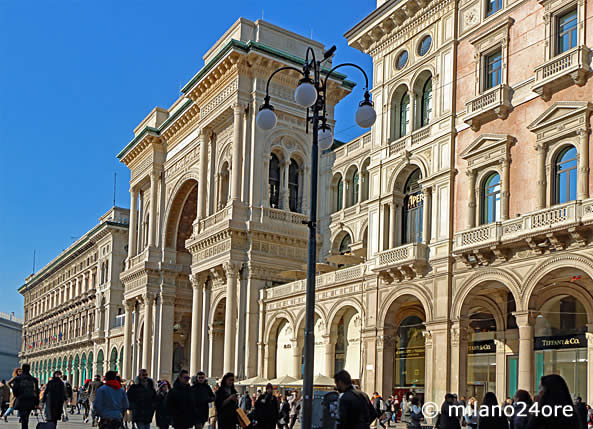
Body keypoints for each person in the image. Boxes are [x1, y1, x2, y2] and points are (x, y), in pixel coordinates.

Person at [9, 364, 39, 429]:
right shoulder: (33, 379)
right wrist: (37, 402)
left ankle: (24, 427)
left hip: (21, 399)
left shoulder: (18, 378)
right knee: (26, 416)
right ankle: (25, 426)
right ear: (29, 369)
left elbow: (12, 386)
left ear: (22, 369)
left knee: (23, 417)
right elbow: (37, 392)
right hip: (30, 399)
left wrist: (16, 394)